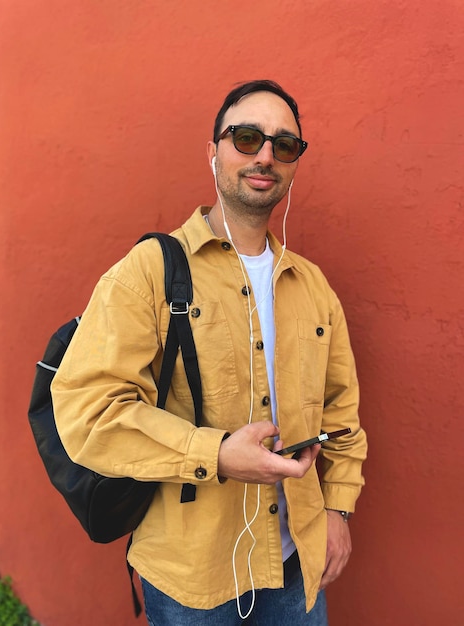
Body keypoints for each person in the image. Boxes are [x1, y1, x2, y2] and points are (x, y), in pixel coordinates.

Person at [52, 79, 367, 625]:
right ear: (213, 151)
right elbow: (88, 411)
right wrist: (216, 453)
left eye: (284, 144)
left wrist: (337, 509)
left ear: (294, 163)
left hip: (296, 565)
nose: (265, 154)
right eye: (246, 137)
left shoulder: (313, 288)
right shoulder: (149, 272)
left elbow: (341, 411)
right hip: (190, 580)